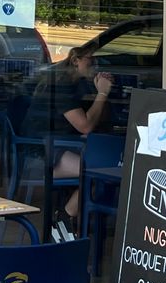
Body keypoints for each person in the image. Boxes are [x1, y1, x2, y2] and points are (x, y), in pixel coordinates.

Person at [28, 42, 114, 241]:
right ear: (76, 60)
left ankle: (79, 219)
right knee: (100, 172)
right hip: (40, 154)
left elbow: (97, 119)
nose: (96, 65)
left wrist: (100, 94)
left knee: (105, 165)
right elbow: (86, 126)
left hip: (60, 145)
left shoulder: (77, 83)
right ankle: (65, 217)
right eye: (91, 60)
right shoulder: (61, 86)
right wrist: (102, 93)